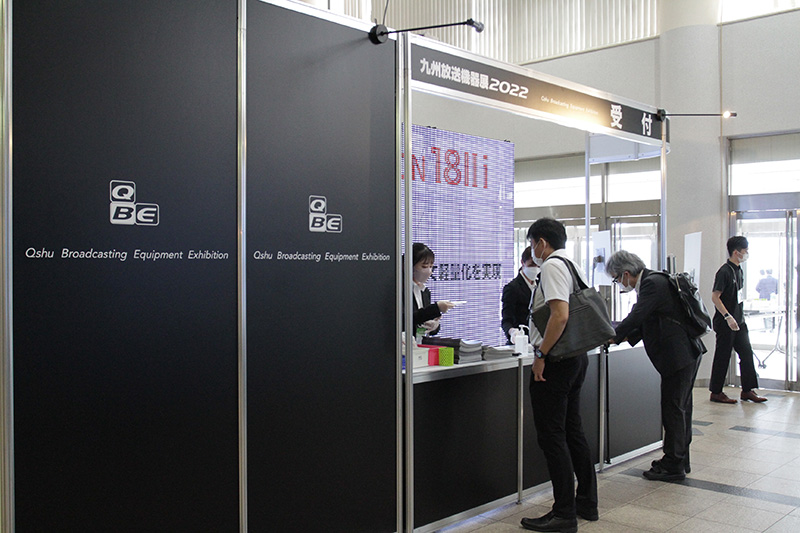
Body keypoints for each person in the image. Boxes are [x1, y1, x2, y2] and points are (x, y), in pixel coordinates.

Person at [520, 218, 598, 533]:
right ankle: (586, 502)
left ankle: (564, 512)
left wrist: (541, 355)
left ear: (541, 242)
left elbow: (560, 315)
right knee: (572, 431)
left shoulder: (552, 265)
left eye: (532, 243)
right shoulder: (572, 264)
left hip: (557, 360)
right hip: (576, 357)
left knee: (552, 436)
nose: (532, 250)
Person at [606, 250, 704, 481]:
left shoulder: (651, 283)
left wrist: (612, 336)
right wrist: (623, 337)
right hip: (685, 353)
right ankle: (680, 459)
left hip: (678, 356)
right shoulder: (657, 280)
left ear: (626, 273)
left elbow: (637, 316)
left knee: (674, 409)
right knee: (680, 408)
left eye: (617, 279)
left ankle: (673, 465)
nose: (619, 284)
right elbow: (649, 320)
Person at [709, 236, 767, 404]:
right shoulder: (724, 272)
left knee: (746, 353)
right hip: (726, 322)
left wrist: (738, 317)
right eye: (745, 251)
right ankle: (716, 392)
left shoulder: (739, 270)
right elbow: (715, 297)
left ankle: (747, 390)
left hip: (739, 321)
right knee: (723, 356)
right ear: (736, 252)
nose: (747, 254)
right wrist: (727, 316)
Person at [408, 243, 454, 337]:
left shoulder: (425, 292)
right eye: (424, 266)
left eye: (431, 266)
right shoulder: (401, 291)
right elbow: (406, 320)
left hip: (421, 342)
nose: (429, 271)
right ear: (410, 266)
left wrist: (434, 325)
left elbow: (425, 320)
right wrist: (436, 308)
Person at [502, 246, 538, 344]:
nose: (535, 268)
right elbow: (506, 320)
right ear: (522, 262)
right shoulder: (512, 288)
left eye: (538, 265)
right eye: (531, 265)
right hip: (519, 342)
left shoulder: (540, 284)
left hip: (538, 341)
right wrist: (512, 332)